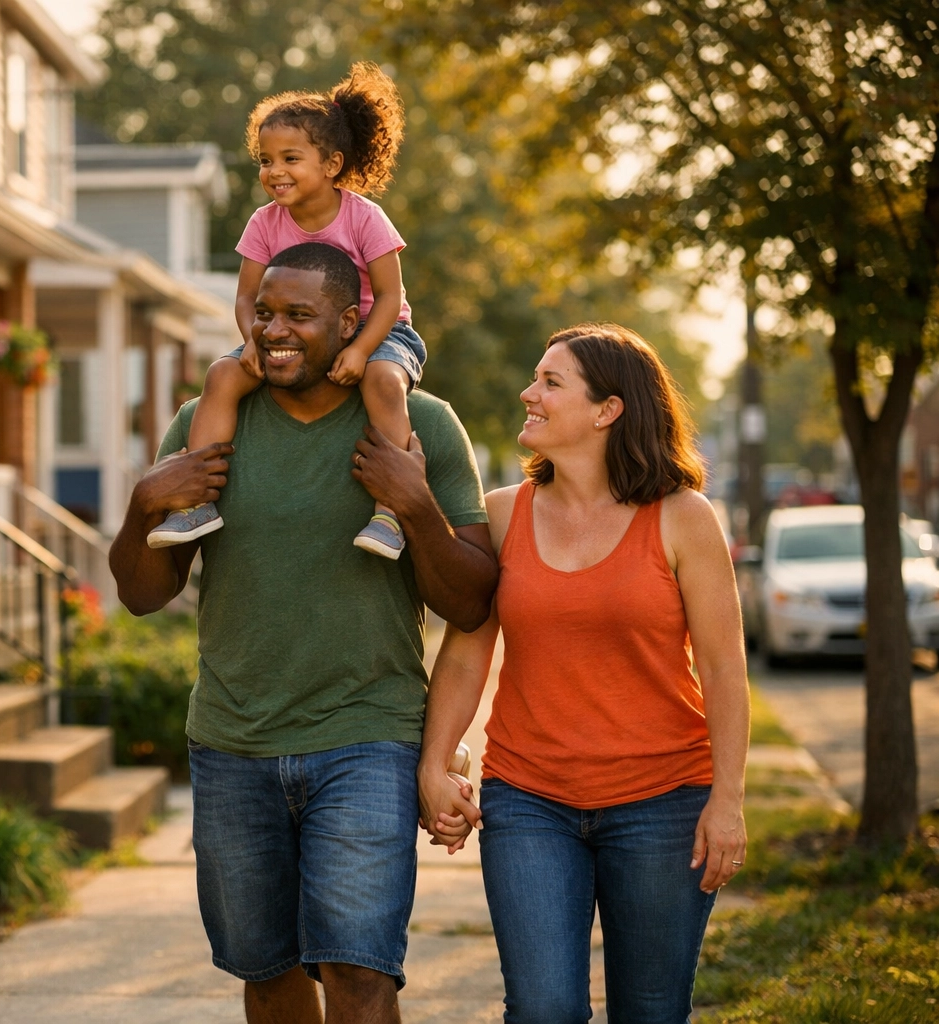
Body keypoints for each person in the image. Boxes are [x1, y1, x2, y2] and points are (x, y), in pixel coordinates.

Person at [111, 242, 499, 1024]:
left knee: (359, 972)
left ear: (353, 323)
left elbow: (472, 600)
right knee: (267, 969)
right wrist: (143, 504)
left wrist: (416, 505)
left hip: (367, 736)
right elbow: (146, 595)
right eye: (262, 314)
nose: (273, 331)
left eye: (298, 315)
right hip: (232, 742)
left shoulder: (419, 423)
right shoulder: (206, 423)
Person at [419, 324, 750, 1023]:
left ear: (608, 410)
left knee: (652, 1011)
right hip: (529, 800)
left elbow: (723, 670)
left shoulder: (682, 518)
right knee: (543, 1010)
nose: (527, 393)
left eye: (550, 382)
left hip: (663, 802)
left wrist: (727, 800)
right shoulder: (504, 515)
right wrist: (433, 765)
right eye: (535, 378)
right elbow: (466, 650)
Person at [147, 62, 425, 561]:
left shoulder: (364, 217)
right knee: (221, 376)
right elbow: (245, 296)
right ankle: (196, 504)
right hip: (286, 330)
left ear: (331, 165)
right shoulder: (264, 222)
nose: (274, 171)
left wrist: (361, 349)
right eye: (265, 159)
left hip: (377, 329)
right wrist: (252, 342)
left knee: (383, 381)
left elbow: (388, 297)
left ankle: (391, 511)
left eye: (290, 158)